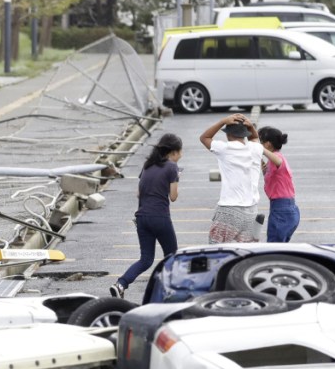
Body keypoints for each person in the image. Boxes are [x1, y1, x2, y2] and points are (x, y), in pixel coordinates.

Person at [110, 133, 183, 299]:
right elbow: (173, 197)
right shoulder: (172, 167)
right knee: (172, 256)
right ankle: (171, 290)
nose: (181, 155)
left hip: (142, 217)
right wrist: (176, 179)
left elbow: (138, 193)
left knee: (146, 259)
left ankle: (120, 284)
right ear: (173, 152)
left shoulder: (147, 165)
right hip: (160, 217)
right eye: (180, 152)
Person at [200, 113, 281, 243]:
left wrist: (222, 121)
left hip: (229, 210)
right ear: (245, 134)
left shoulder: (224, 148)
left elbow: (204, 137)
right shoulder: (256, 148)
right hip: (251, 212)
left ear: (227, 134)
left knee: (216, 251)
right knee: (246, 254)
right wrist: (251, 126)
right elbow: (255, 138)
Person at [258, 126, 299, 242]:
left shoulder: (278, 157)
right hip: (283, 208)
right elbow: (271, 177)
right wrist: (261, 163)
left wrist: (259, 149)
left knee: (273, 247)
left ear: (268, 144)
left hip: (282, 209)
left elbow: (278, 161)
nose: (259, 144)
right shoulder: (272, 161)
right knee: (279, 247)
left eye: (261, 141)